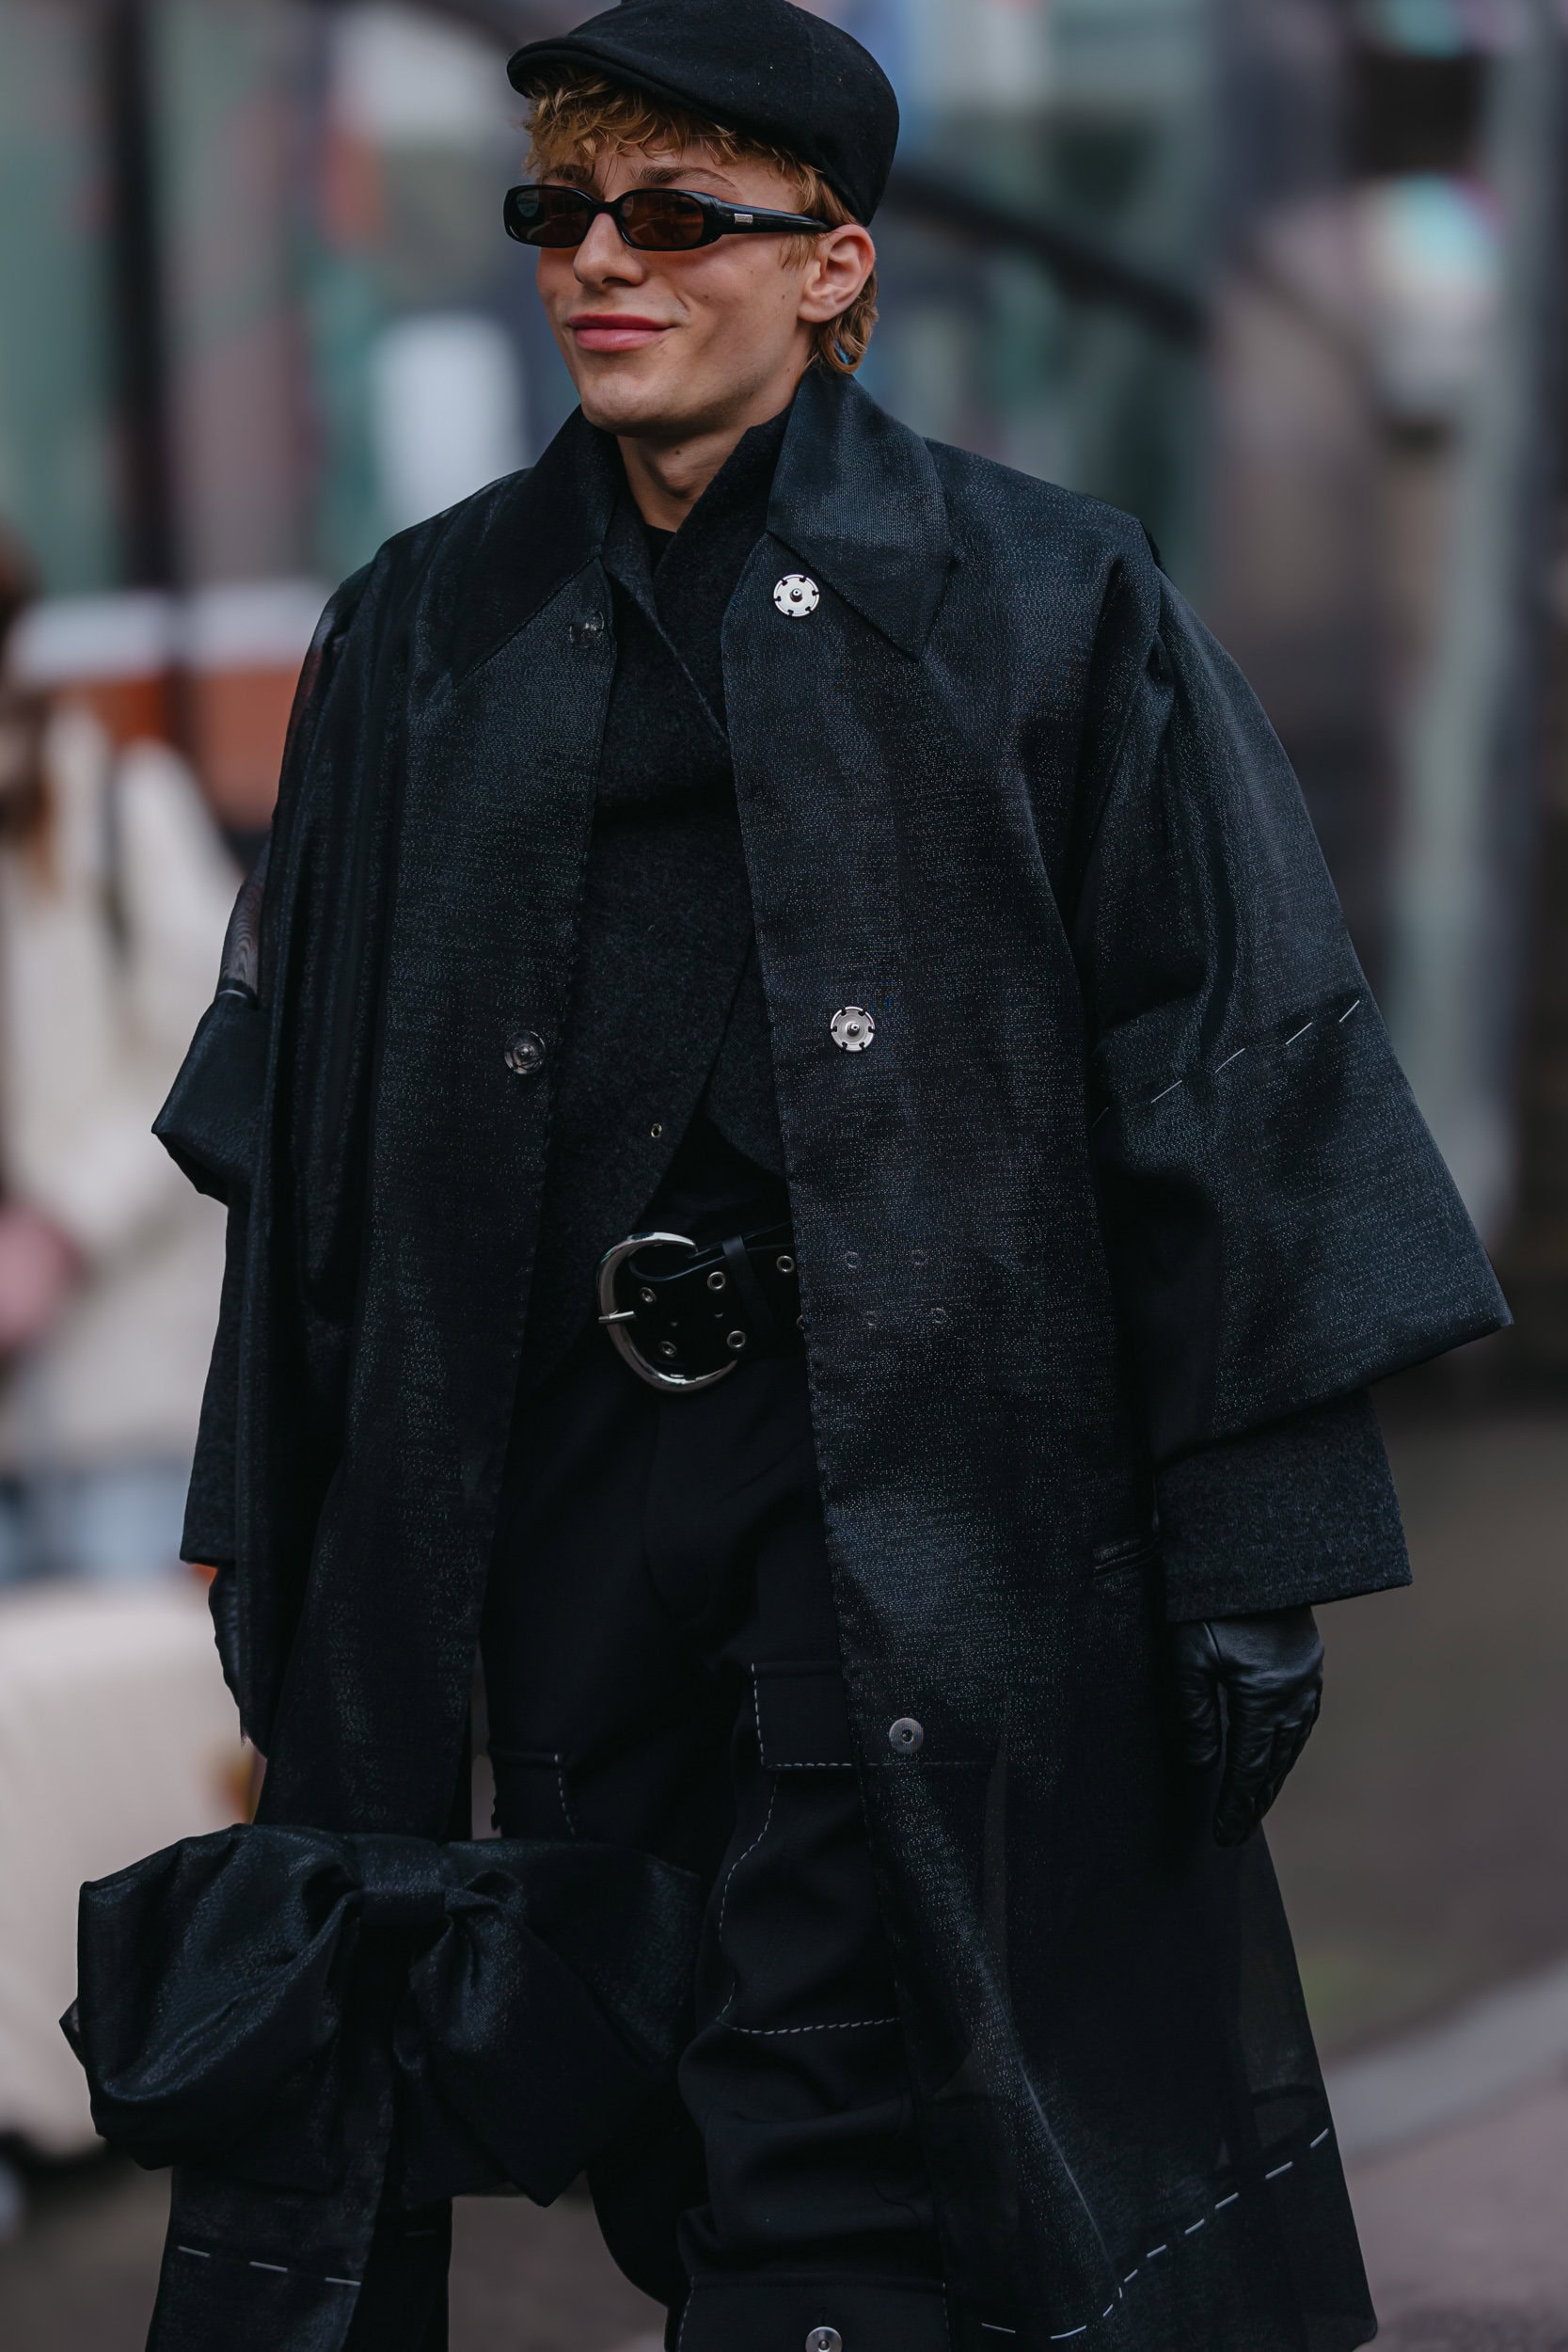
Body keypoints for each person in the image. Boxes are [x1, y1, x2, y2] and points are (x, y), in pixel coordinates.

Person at [66, 5, 1507, 2348]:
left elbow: (1227, 1083)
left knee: (830, 2121)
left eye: (672, 217)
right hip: (555, 1516)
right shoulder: (419, 628)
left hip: (914, 1498)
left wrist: (1258, 1553)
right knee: (667, 2114)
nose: (596, 263)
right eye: (559, 211)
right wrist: (274, 1524)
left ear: (833, 264)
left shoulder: (1047, 602)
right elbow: (303, 1156)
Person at [0, 531, 236, 1583]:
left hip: (116, 1404)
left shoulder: (119, 803)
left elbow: (210, 1057)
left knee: (125, 1678)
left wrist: (58, 1230)